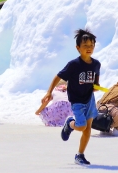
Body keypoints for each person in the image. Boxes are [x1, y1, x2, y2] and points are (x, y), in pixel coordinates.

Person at [42, 29, 100, 166]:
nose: (89, 48)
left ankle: (80, 155)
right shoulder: (74, 65)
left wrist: (96, 86)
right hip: (77, 101)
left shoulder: (96, 64)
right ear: (78, 48)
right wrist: (49, 92)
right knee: (81, 126)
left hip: (89, 99)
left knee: (88, 128)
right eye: (85, 46)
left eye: (91, 45)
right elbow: (58, 76)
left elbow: (96, 80)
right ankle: (70, 124)